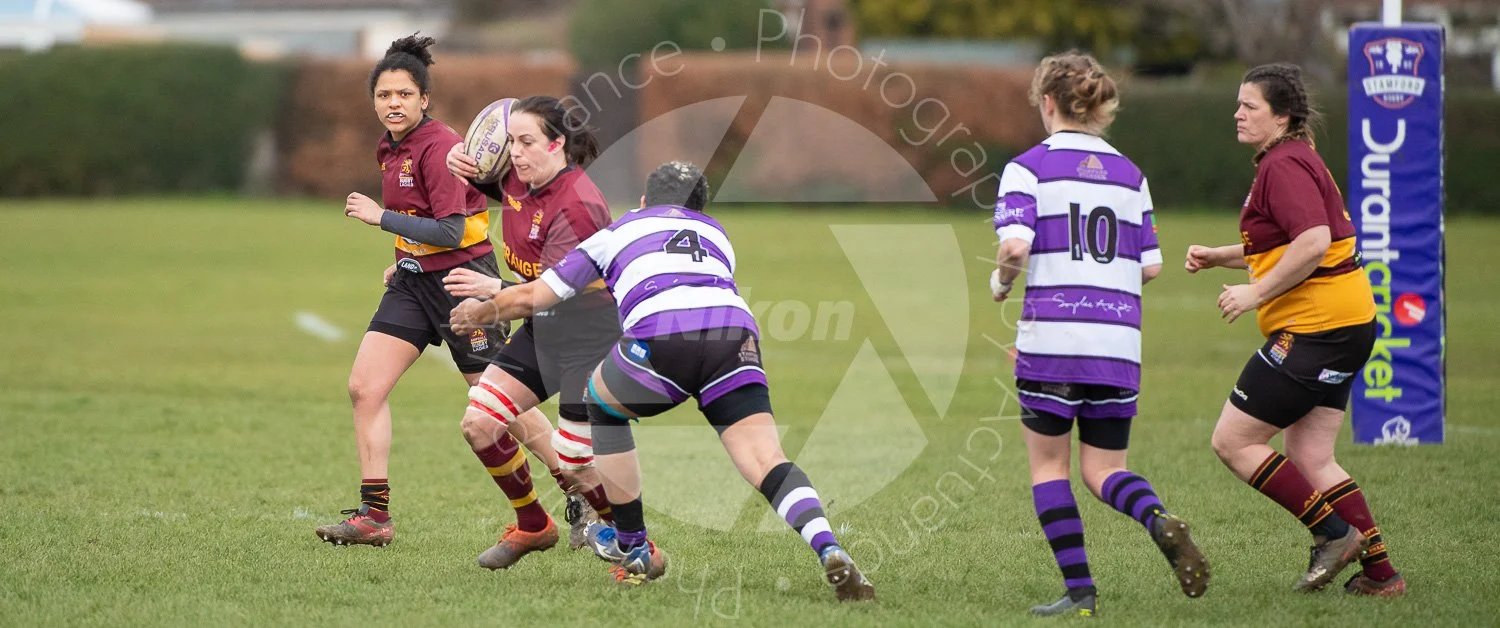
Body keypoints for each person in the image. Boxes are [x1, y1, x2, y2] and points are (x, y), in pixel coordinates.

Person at [444, 162, 877, 602]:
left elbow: (538, 295)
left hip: (663, 333)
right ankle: (830, 549)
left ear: (645, 200)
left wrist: (480, 310)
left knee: (602, 405)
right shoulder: (716, 234)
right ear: (699, 206)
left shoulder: (619, 231)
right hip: (734, 334)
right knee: (765, 458)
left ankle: (633, 546)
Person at [314, 34, 556, 547]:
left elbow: (450, 230)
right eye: (384, 95)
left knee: (497, 403)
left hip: (462, 286)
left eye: (404, 94)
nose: (393, 103)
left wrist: (381, 219)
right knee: (365, 387)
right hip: (413, 283)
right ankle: (374, 516)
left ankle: (576, 490)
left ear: (424, 99)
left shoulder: (440, 146)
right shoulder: (391, 147)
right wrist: (401, 256)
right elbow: (423, 222)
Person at [991, 52, 1209, 617]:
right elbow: (1151, 266)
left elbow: (1014, 247)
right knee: (1106, 469)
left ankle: (1081, 592)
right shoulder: (1131, 175)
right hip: (1117, 345)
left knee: (1049, 467)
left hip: (1052, 344)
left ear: (1047, 103)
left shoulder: (1027, 168)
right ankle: (1157, 517)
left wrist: (1000, 282)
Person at [1187, 63, 1403, 597]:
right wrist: (1222, 257)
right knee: (1311, 457)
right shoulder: (1293, 158)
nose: (1237, 113)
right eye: (1237, 104)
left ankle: (1333, 535)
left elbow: (1311, 242)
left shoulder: (1282, 166)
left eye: (1249, 106)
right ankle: (1381, 576)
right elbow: (1287, 245)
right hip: (1345, 323)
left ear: (1281, 117)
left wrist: (1254, 293)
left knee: (1233, 442)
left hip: (1318, 329)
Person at [442, 96, 622, 569]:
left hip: (588, 336)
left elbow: (550, 292)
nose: (515, 153)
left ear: (557, 144)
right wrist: (455, 159)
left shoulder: (578, 207)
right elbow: (478, 172)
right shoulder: (516, 177)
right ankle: (533, 524)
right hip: (543, 331)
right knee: (479, 424)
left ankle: (635, 541)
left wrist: (489, 296)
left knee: (576, 461)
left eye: (526, 143)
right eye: (510, 143)